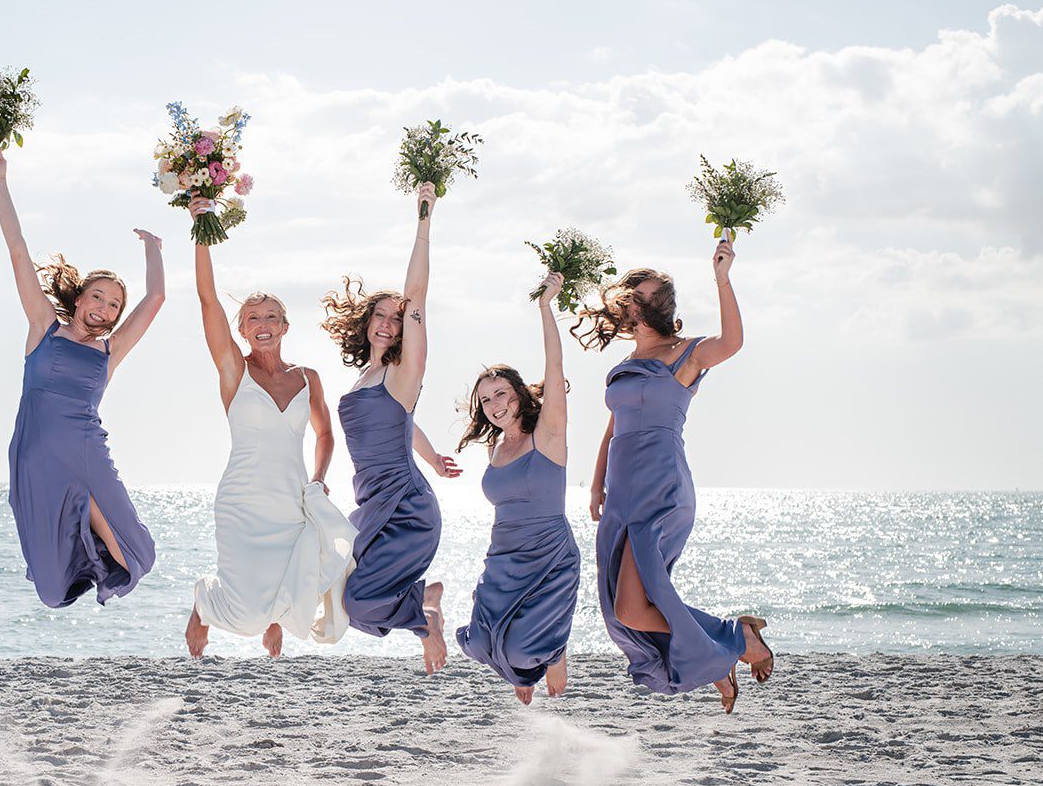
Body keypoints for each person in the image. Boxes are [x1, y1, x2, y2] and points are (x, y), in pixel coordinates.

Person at [582, 239, 774, 712]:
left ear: (661, 308)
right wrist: (594, 484)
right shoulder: (621, 370)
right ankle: (730, 644)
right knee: (625, 612)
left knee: (633, 607)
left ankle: (732, 644)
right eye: (634, 293)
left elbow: (733, 343)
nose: (637, 301)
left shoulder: (686, 353)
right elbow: (612, 433)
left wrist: (722, 279)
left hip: (663, 489)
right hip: (622, 493)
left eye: (646, 295)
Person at [0, 144, 163, 607]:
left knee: (137, 553)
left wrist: (153, 249)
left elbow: (156, 299)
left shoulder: (110, 351)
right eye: (98, 297)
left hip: (85, 450)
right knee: (49, 580)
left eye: (114, 305)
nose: (104, 309)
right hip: (35, 453)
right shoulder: (44, 327)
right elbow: (18, 251)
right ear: (81, 297)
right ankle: (80, 542)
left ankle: (92, 536)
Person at [182, 197, 356, 658]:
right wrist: (201, 227)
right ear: (241, 329)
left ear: (285, 326)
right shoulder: (233, 373)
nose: (263, 325)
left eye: (271, 317)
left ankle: (278, 620)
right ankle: (203, 604)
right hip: (242, 499)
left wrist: (318, 480)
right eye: (253, 318)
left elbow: (325, 434)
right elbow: (207, 300)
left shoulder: (307, 378)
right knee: (244, 614)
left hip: (291, 499)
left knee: (297, 580)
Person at [321, 182, 449, 674]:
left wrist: (424, 218)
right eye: (381, 315)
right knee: (330, 580)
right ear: (367, 320)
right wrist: (433, 454)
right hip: (372, 501)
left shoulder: (403, 371)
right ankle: (424, 600)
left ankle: (425, 613)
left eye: (398, 319)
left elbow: (417, 294)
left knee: (358, 603)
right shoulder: (367, 378)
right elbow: (400, 422)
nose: (389, 324)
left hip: (406, 508)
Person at [454, 273, 579, 703]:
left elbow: (555, 369)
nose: (495, 405)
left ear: (520, 394)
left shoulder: (547, 436)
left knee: (524, 651)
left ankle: (553, 653)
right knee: (476, 644)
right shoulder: (494, 446)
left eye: (502, 394)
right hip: (503, 557)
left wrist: (545, 307)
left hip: (547, 555)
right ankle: (524, 671)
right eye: (486, 400)